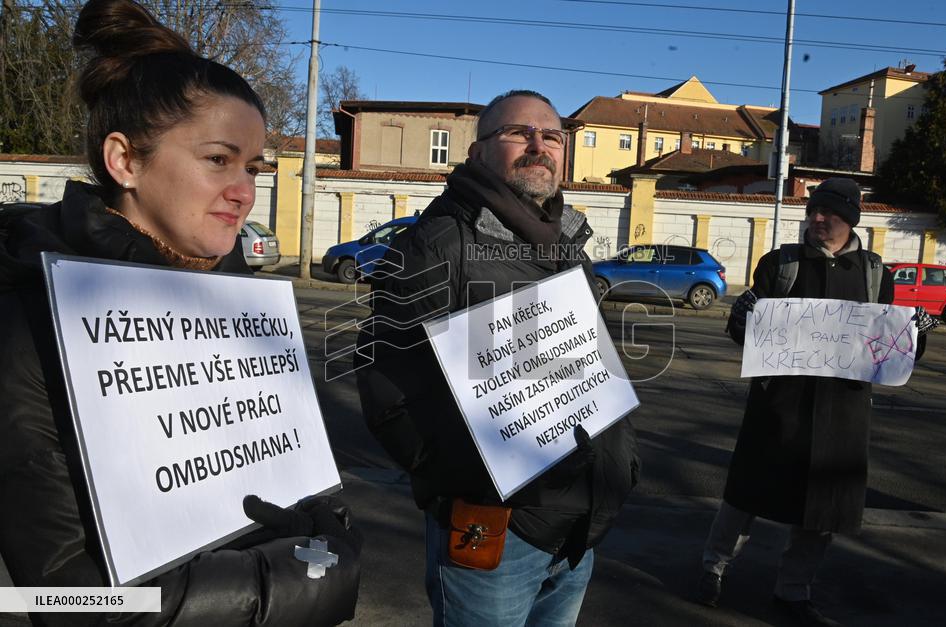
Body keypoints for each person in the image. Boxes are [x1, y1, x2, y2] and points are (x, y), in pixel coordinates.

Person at [0, 1, 360, 624]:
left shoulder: (243, 311)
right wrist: (306, 582)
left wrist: (325, 535)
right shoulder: (29, 323)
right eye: (219, 159)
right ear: (126, 161)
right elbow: (61, 600)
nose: (245, 189)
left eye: (252, 167)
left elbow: (305, 498)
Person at [355, 90, 641, 626]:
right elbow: (388, 389)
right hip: (495, 536)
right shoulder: (437, 244)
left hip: (577, 532)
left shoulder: (566, 244)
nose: (539, 145)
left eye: (551, 135)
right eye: (518, 133)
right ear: (478, 151)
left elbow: (590, 369)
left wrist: (621, 460)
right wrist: (483, 484)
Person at [695, 178, 934, 627]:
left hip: (841, 414)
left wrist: (916, 335)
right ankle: (713, 567)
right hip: (778, 406)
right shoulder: (780, 263)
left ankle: (793, 591)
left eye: (832, 214)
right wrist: (741, 318)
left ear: (852, 221)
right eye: (815, 211)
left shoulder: (875, 273)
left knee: (821, 508)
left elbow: (887, 350)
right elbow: (746, 336)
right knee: (744, 495)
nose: (819, 219)